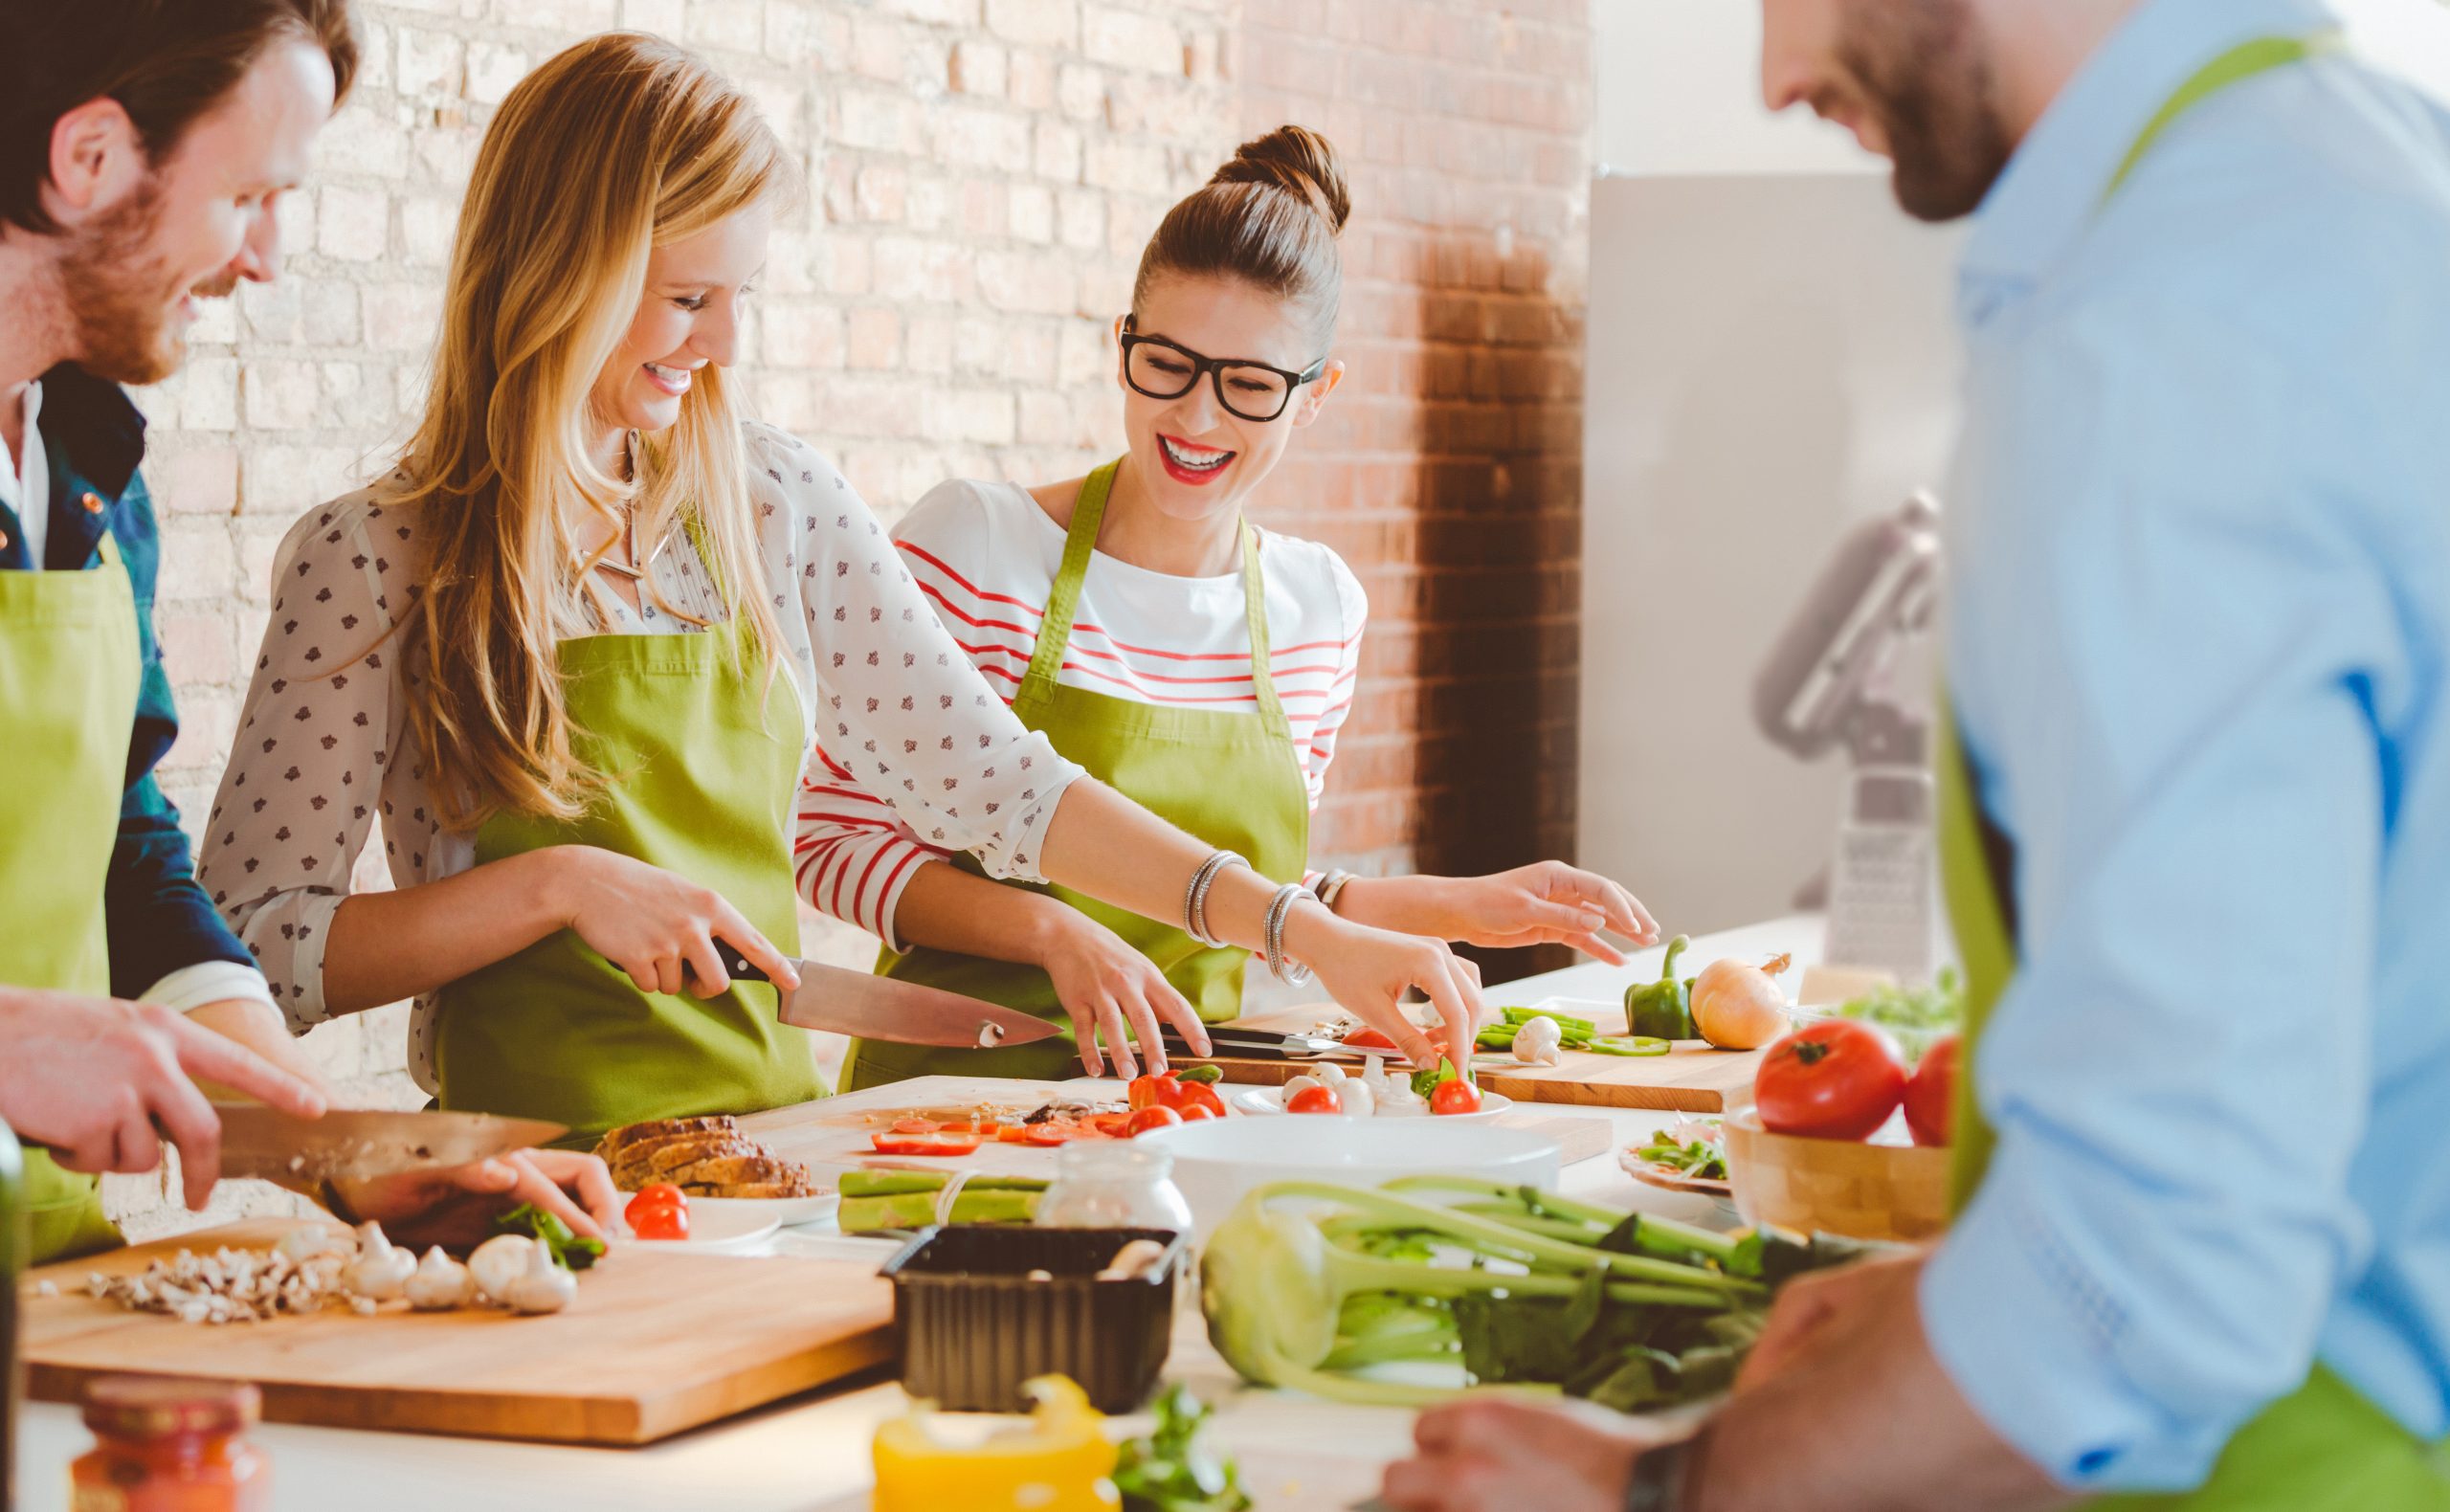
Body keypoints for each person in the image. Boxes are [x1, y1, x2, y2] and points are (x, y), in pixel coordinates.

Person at [1383, 0, 2450, 1508]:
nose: (1773, 77)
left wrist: (1667, 1490)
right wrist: (1964, 1302)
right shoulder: (2360, 184)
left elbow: (2171, 1247)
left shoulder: (2167, 325)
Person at [200, 34, 1489, 1145]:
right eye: (687, 297)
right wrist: (550, 887)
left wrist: (1299, 933)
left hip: (770, 1165)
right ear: (556, 270)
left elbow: (1004, 789)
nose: (722, 350)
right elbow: (253, 943)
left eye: (740, 296)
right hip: (521, 1183)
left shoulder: (774, 509)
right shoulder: (379, 555)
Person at [800, 126, 1657, 1088]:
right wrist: (1053, 932)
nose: (1197, 418)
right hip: (946, 1106)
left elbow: (1258, 896)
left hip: (1185, 1110)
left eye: (1248, 384)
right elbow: (830, 840)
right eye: (1167, 362)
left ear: (1316, 395)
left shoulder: (1316, 607)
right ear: (1121, 341)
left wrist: (1455, 903)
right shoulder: (978, 548)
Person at [0, 0, 614, 1263]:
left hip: (42, 1272)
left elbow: (120, 858)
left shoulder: (84, 462)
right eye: (249, 198)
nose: (267, 258)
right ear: (91, 159)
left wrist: (342, 1148)